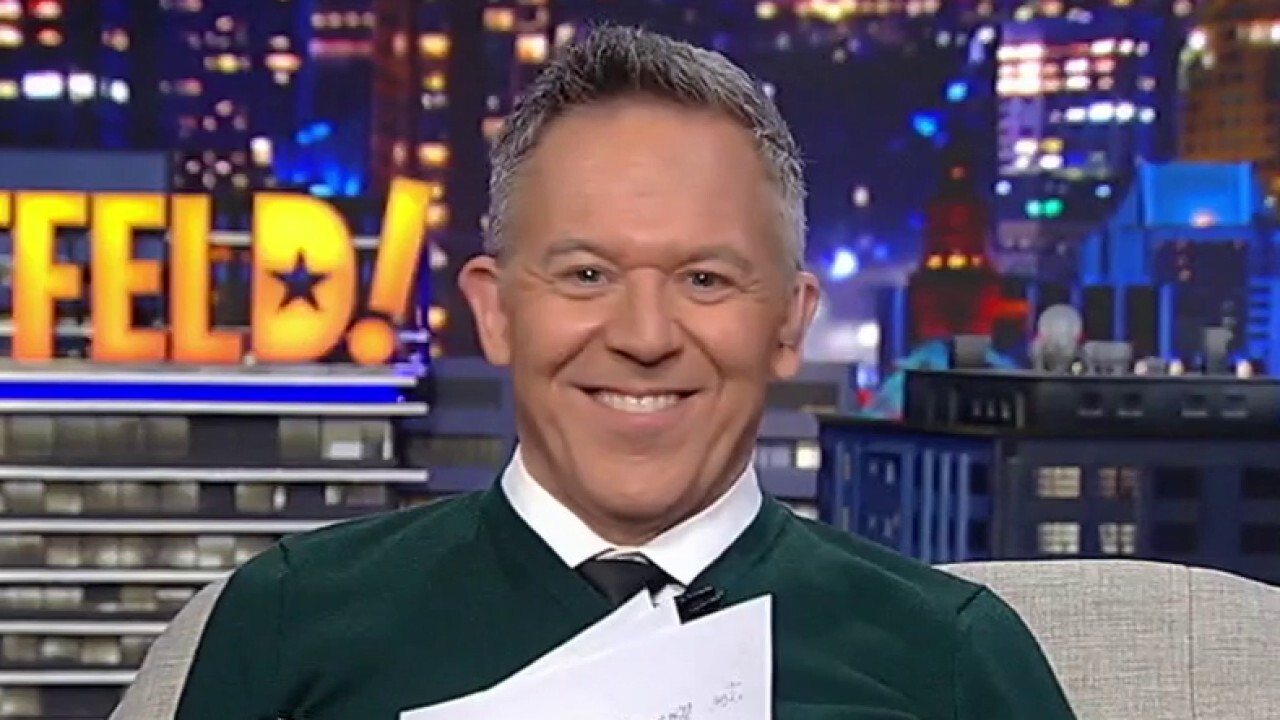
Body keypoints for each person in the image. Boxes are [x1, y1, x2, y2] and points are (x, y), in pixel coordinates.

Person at [137, 25, 1076, 720]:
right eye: (587, 275)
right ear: (495, 311)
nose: (645, 335)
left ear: (789, 323)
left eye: (705, 279)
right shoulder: (290, 620)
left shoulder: (954, 658)